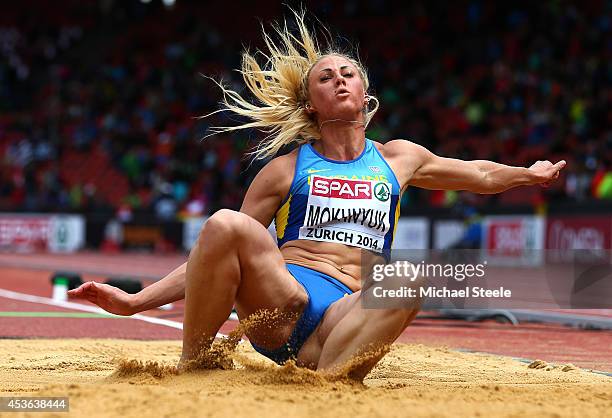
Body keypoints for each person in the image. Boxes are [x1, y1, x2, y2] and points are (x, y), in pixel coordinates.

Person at [68, 12, 565, 380]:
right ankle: (194, 366)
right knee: (226, 223)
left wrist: (527, 173)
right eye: (325, 77)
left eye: (347, 73)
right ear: (311, 102)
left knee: (411, 277)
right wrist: (136, 302)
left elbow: (477, 174)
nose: (339, 79)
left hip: (349, 317)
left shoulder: (399, 158)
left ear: (365, 90)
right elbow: (215, 255)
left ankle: (325, 384)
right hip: (284, 303)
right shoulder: (285, 170)